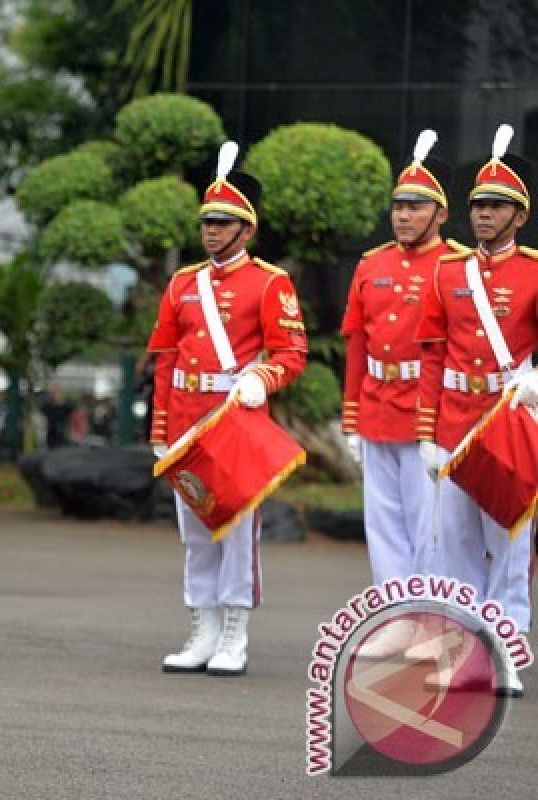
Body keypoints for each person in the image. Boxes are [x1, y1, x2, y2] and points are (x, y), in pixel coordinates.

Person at [147, 142, 307, 677]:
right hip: (188, 416)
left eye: (224, 223)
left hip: (234, 419)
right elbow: (166, 360)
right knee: (193, 528)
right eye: (207, 222)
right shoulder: (181, 283)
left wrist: (263, 377)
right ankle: (203, 627)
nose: (212, 231)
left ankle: (235, 631)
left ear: (247, 229)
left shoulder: (270, 282)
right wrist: (162, 427)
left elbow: (292, 352)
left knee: (237, 529)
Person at [415, 124, 538, 697]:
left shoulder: (535, 270)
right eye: (478, 206)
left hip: (508, 419)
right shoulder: (447, 272)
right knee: (455, 545)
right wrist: (426, 432)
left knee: (509, 543)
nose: (484, 215)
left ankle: (507, 651)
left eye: (497, 206)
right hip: (455, 421)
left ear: (520, 216)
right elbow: (432, 355)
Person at [341, 130, 467, 586]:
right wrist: (351, 417)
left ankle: (428, 623)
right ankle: (393, 617)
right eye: (399, 206)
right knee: (383, 527)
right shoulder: (371, 264)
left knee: (429, 529)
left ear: (441, 214)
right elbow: (357, 341)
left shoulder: (457, 265)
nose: (404, 215)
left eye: (415, 207)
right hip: (376, 405)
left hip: (427, 410)